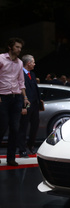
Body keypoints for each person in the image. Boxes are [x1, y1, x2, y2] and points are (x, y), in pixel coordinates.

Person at [0, 37, 30, 166]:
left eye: (20, 48)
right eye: (17, 47)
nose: (19, 50)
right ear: (10, 47)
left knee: (15, 128)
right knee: (2, 127)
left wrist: (24, 97)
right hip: (3, 97)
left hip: (17, 97)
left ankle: (11, 158)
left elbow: (21, 82)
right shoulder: (1, 58)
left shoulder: (19, 63)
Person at [18, 54, 40, 157]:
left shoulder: (33, 74)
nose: (35, 64)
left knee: (34, 127)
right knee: (23, 127)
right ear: (28, 63)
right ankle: (22, 150)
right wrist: (23, 106)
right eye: (34, 62)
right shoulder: (20, 74)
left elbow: (35, 89)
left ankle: (31, 146)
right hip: (26, 104)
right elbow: (20, 91)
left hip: (35, 105)